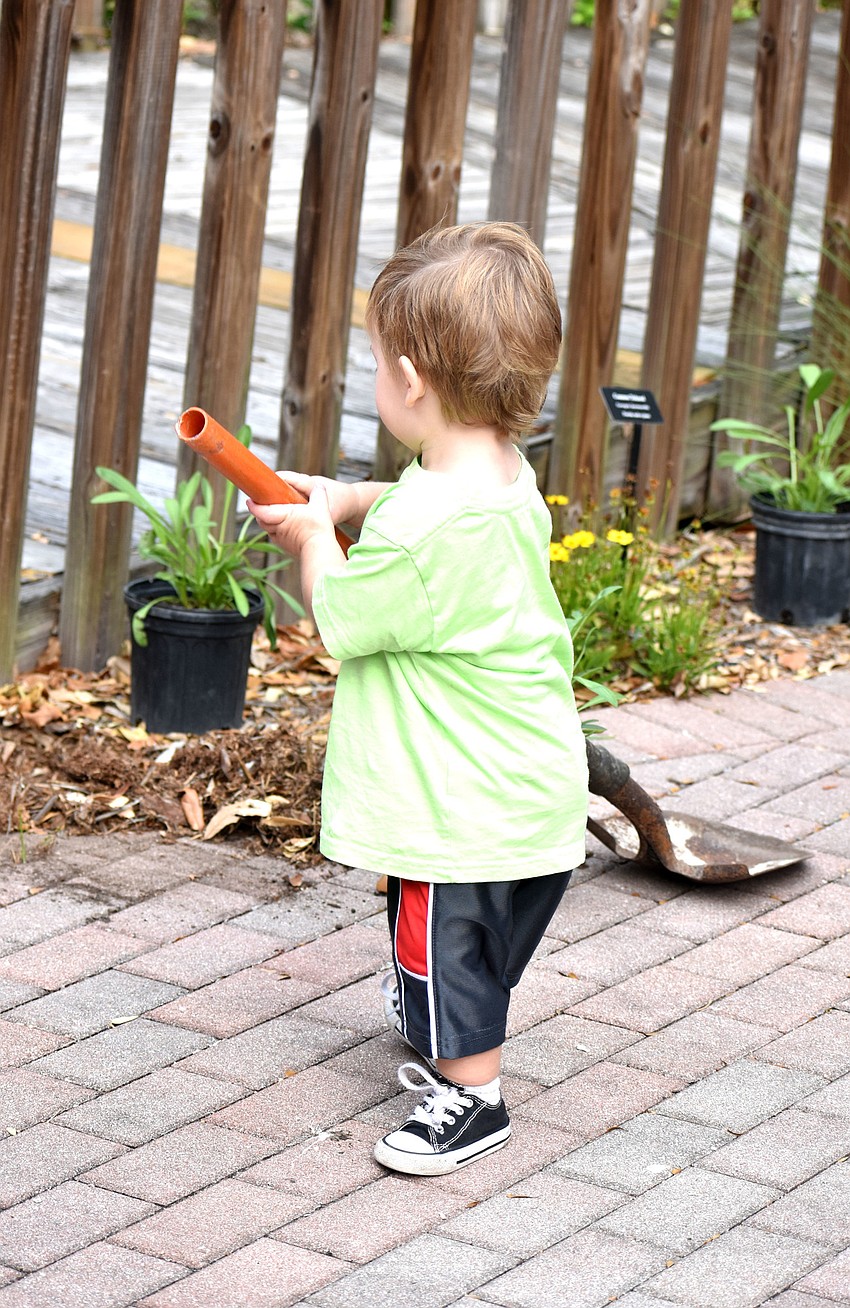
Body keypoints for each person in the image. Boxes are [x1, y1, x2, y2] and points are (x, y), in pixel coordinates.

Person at [248, 221, 589, 1176]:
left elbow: (345, 617)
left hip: (460, 808)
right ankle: (446, 1014)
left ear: (410, 378)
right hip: (522, 784)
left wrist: (314, 538)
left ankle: (472, 1100)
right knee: (462, 949)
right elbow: (407, 507)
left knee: (442, 934)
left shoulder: (427, 530)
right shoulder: (497, 477)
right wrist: (341, 500)